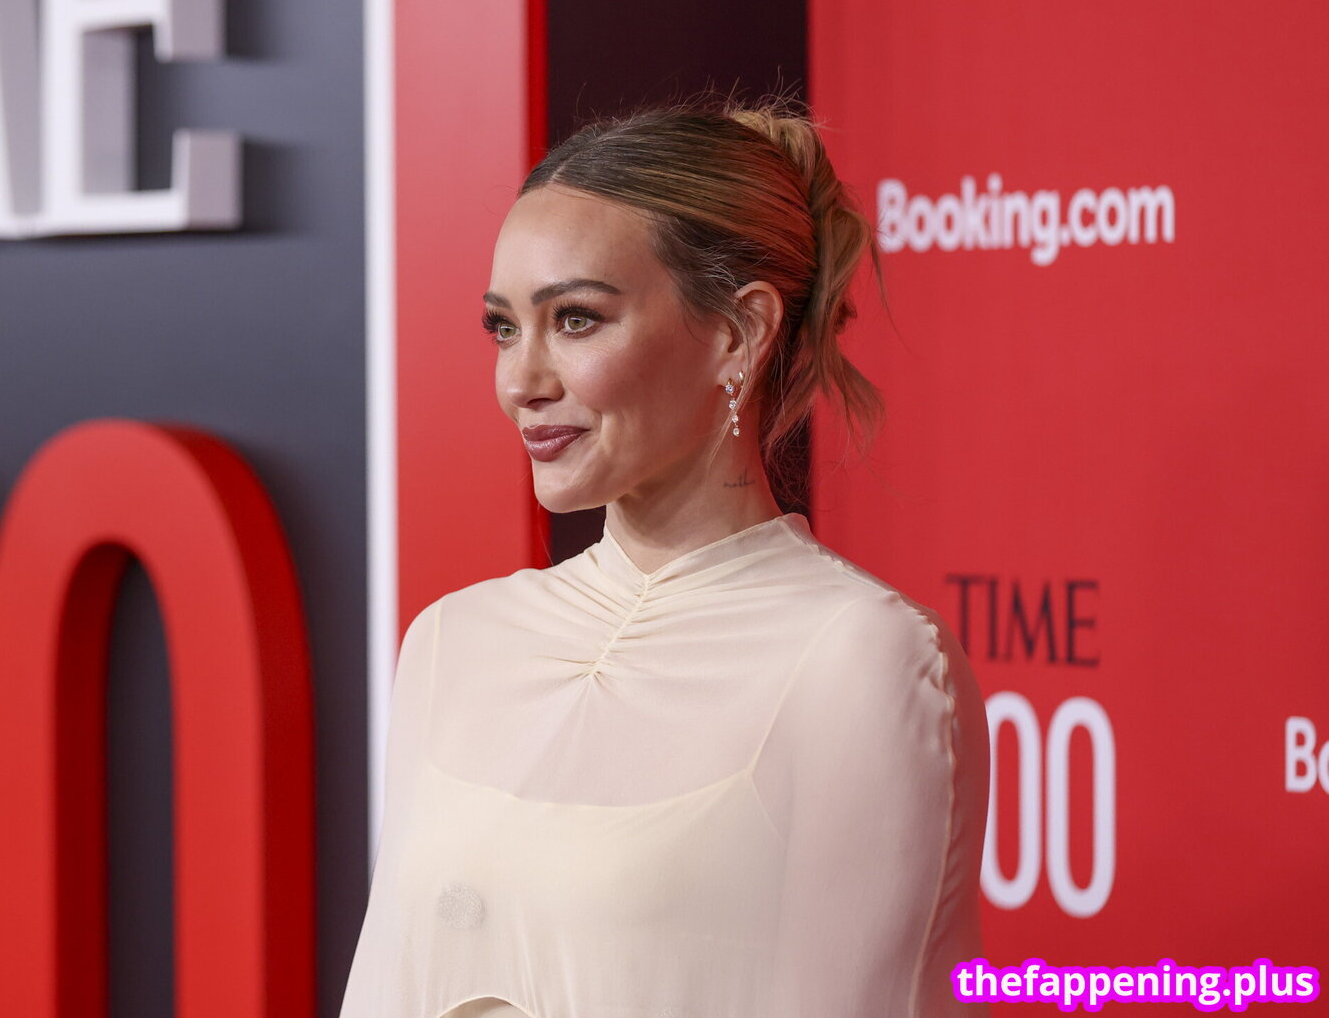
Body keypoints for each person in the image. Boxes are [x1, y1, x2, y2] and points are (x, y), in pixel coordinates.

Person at [337, 97, 990, 1017]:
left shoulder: (861, 659)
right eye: (503, 327)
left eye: (576, 320)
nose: (521, 381)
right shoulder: (452, 642)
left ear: (738, 333)